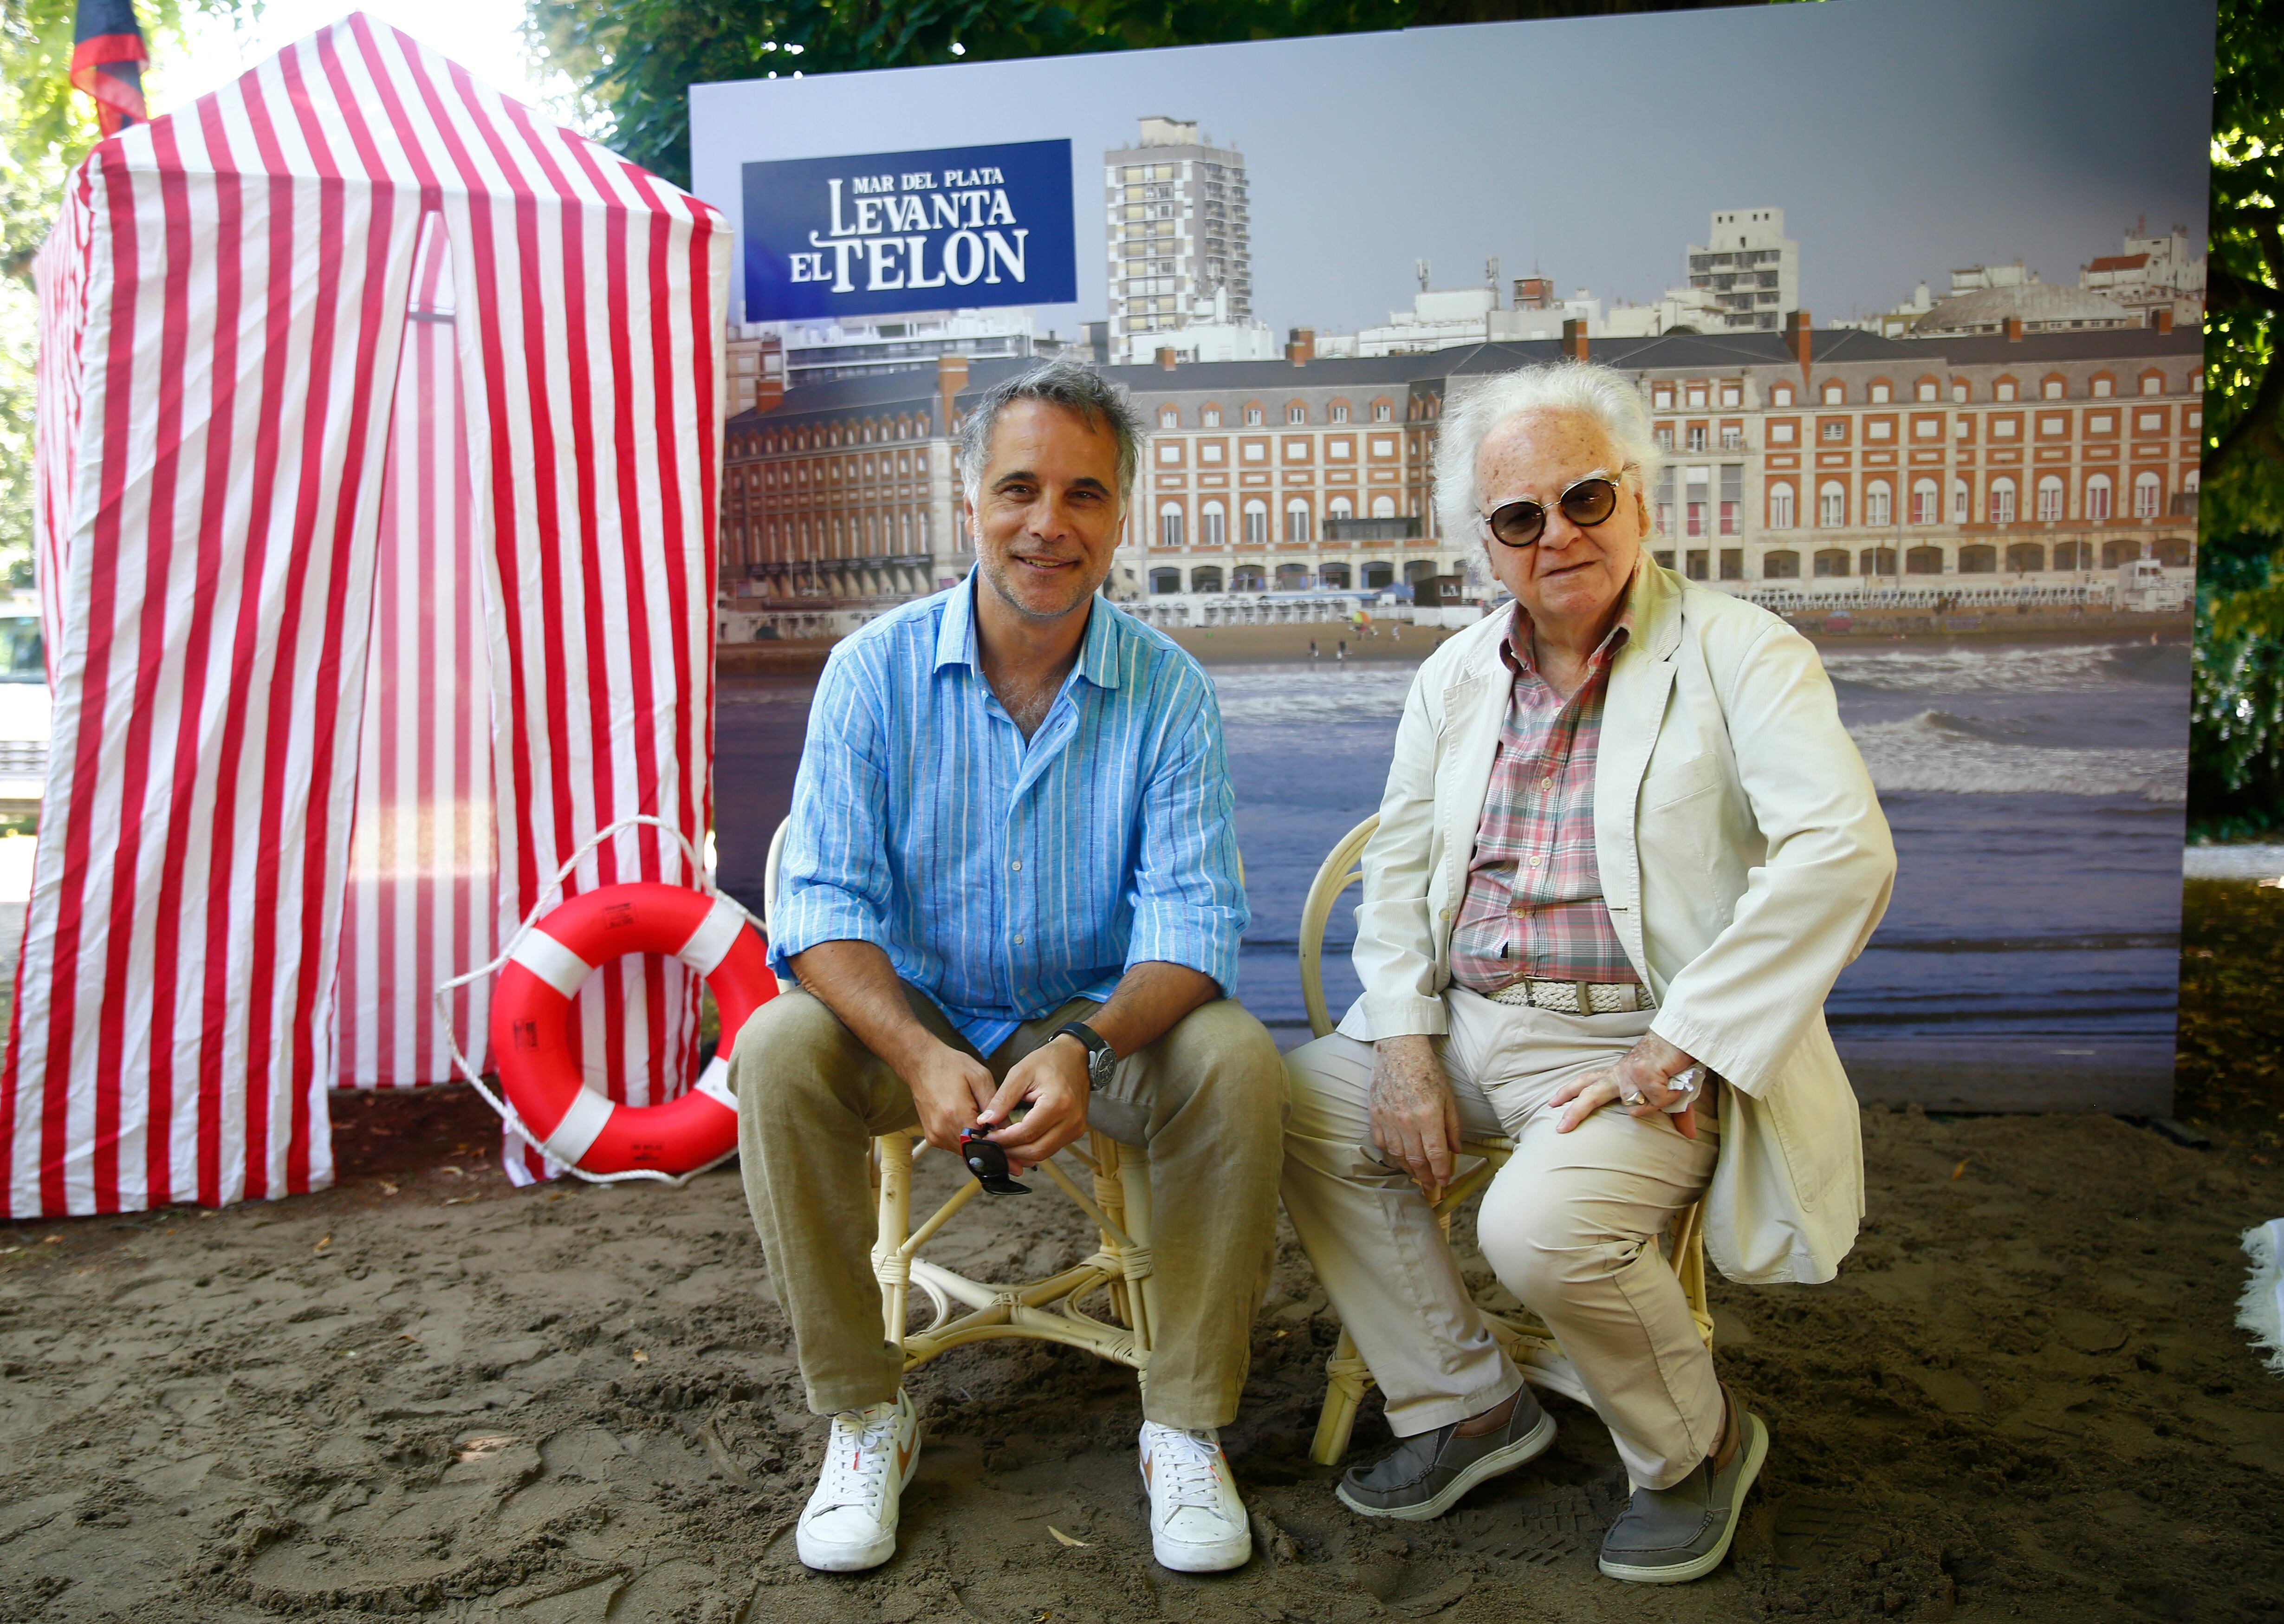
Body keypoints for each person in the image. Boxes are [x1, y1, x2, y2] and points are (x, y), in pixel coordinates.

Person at [1279, 360, 1894, 1584]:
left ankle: (1695, 1448)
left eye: (1584, 497)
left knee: (1537, 1226)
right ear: (1488, 546)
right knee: (1284, 1098)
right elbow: (1396, 868)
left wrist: (1690, 1043)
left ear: (1640, 499)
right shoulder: (1453, 678)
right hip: (1463, 1023)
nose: (1556, 533)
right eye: (1520, 516)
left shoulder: (1743, 654)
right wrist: (1401, 1045)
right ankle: (1464, 1403)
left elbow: (1843, 849)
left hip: (1637, 1044)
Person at [735, 361, 1285, 1578]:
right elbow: (817, 902)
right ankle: (866, 1410)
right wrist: (919, 1049)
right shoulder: (872, 672)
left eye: (1084, 494)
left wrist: (1087, 1045)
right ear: (967, 499)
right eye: (1020, 488)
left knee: (1240, 1059)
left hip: (1092, 1024)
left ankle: (1184, 1424)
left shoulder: (1171, 690)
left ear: (1122, 514)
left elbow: (1194, 922)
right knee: (773, 1048)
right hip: (918, 1015)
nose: (1050, 523)